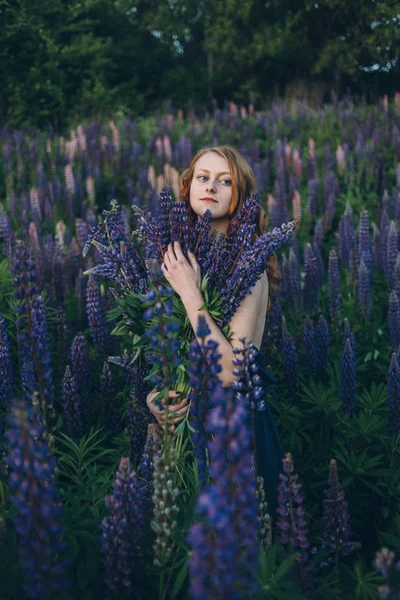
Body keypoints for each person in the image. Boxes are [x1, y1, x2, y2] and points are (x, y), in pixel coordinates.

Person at [145, 145, 282, 516]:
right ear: (188, 188)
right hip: (181, 436)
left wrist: (190, 291)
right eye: (203, 178)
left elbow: (230, 371)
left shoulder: (249, 266)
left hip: (234, 431)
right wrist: (156, 396)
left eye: (226, 181)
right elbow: (157, 347)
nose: (212, 187)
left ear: (241, 198)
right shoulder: (175, 258)